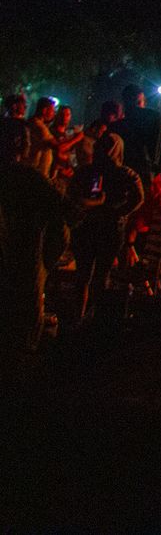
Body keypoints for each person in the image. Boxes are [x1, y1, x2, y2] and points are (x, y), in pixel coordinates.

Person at [0, 123, 68, 370]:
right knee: (21, 330)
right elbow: (66, 212)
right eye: (28, 139)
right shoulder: (31, 179)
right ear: (19, 143)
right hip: (24, 262)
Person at [68, 132, 144, 324]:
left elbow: (72, 193)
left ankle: (79, 315)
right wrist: (121, 212)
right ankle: (93, 319)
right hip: (110, 228)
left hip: (87, 226)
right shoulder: (126, 173)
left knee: (84, 274)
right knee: (101, 274)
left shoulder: (86, 171)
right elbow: (139, 197)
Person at [111, 84, 161, 240]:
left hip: (121, 178)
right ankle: (132, 255)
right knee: (138, 220)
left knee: (122, 218)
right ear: (142, 100)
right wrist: (152, 172)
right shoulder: (154, 119)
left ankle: (122, 254)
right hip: (144, 177)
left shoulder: (119, 125)